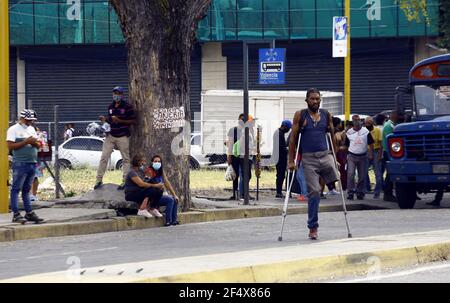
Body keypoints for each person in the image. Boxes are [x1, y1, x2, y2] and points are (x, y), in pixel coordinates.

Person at [288, 88, 339, 240]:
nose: (315, 101)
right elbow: (293, 139)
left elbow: (332, 136)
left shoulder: (326, 114)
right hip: (309, 159)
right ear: (307, 100)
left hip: (325, 156)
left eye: (317, 99)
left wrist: (334, 157)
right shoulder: (300, 115)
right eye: (312, 99)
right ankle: (313, 227)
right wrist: (291, 161)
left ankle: (331, 187)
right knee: (315, 191)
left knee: (336, 178)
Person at [95, 86, 136, 190]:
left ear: (122, 95)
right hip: (111, 135)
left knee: (126, 159)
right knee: (104, 157)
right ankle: (98, 180)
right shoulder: (111, 107)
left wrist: (120, 120)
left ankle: (125, 181)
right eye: (114, 93)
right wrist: (105, 120)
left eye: (118, 93)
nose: (116, 95)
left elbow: (133, 121)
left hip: (123, 136)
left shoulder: (127, 106)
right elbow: (110, 120)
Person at [6, 109, 44, 223]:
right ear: (22, 119)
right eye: (28, 120)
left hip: (32, 162)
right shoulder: (13, 130)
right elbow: (10, 146)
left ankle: (29, 213)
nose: (30, 122)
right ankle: (16, 214)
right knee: (16, 188)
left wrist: (35, 143)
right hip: (20, 163)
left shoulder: (32, 129)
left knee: (27, 189)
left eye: (31, 120)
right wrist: (26, 142)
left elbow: (38, 145)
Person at [124, 154, 165, 218]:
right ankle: (142, 209)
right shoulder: (132, 172)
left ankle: (152, 208)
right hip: (131, 194)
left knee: (159, 190)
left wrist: (158, 185)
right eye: (143, 161)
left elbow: (147, 181)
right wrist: (155, 185)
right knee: (152, 189)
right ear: (138, 162)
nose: (144, 163)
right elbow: (141, 184)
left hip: (139, 192)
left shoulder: (140, 171)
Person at [144, 155, 180, 226]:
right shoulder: (149, 171)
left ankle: (174, 220)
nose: (157, 163)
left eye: (159, 161)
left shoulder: (161, 171)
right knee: (170, 200)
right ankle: (168, 221)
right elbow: (146, 184)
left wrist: (174, 194)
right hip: (154, 197)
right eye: (155, 161)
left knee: (174, 199)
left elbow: (167, 183)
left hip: (161, 194)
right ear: (152, 162)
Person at [226, 113, 255, 200]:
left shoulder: (249, 130)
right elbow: (230, 144)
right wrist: (229, 156)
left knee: (246, 174)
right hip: (235, 155)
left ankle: (244, 193)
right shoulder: (233, 130)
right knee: (235, 175)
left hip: (244, 155)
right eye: (242, 119)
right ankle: (236, 194)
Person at [345, 115, 374, 200]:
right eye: (355, 120)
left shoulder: (365, 131)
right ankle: (350, 191)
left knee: (362, 176)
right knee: (350, 174)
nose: (357, 122)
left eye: (358, 120)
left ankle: (360, 192)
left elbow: (371, 144)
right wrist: (347, 155)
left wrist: (371, 154)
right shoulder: (349, 132)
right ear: (352, 122)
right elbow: (346, 145)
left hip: (363, 156)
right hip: (351, 156)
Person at [382, 110, 403, 202]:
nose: (399, 117)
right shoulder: (389, 126)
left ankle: (388, 193)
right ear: (393, 115)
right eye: (398, 115)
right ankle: (388, 193)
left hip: (389, 152)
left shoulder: (390, 125)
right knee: (390, 173)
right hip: (389, 152)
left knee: (390, 173)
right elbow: (391, 141)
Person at [364, 116, 383, 199]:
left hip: (376, 151)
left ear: (372, 123)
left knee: (378, 174)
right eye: (366, 123)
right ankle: (366, 188)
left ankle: (377, 192)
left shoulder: (377, 130)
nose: (367, 124)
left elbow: (381, 143)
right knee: (364, 172)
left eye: (369, 123)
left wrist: (379, 155)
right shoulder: (364, 131)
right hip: (366, 152)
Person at [274, 120, 292, 199]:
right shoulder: (279, 133)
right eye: (288, 128)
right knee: (280, 175)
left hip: (280, 157)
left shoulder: (279, 133)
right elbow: (280, 147)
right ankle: (278, 192)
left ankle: (279, 191)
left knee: (281, 175)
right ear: (285, 126)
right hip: (279, 157)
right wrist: (287, 149)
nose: (289, 130)